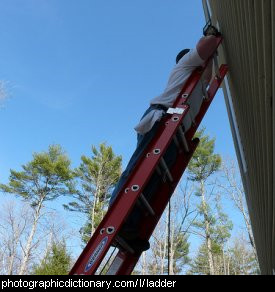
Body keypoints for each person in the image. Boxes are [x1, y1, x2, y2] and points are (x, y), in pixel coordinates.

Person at [110, 33, 221, 253]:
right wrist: (212, 35)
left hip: (175, 133)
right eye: (206, 62)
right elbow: (206, 46)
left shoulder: (199, 89)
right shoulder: (185, 64)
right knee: (139, 169)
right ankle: (116, 220)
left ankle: (130, 229)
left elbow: (209, 79)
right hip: (162, 119)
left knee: (155, 179)